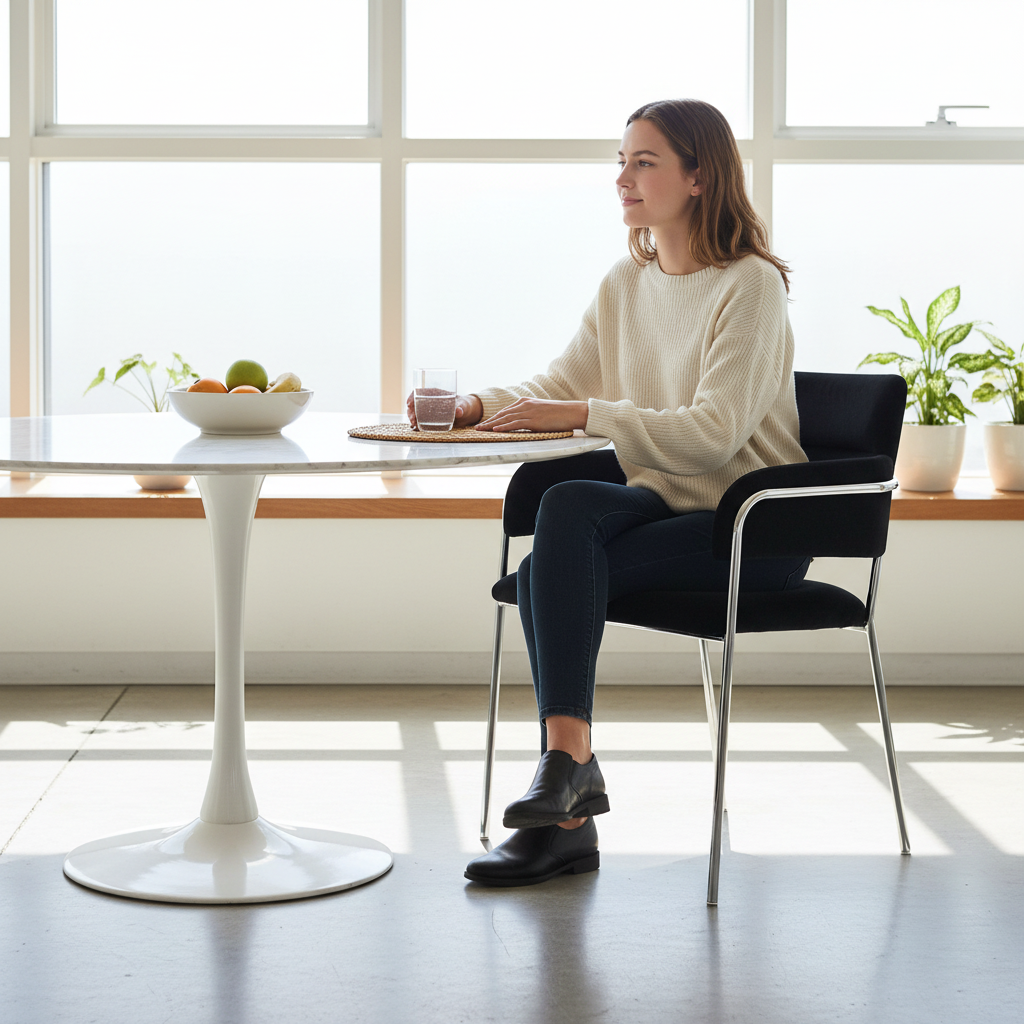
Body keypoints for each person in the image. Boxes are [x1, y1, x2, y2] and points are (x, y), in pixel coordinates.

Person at [406, 99, 809, 887]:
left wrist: (591, 413)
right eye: (621, 161)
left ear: (698, 176)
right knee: (566, 507)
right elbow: (561, 382)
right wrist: (476, 407)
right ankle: (568, 776)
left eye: (644, 161)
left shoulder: (750, 285)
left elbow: (714, 434)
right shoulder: (629, 282)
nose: (621, 177)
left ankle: (565, 808)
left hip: (751, 526)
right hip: (666, 502)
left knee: (539, 583)